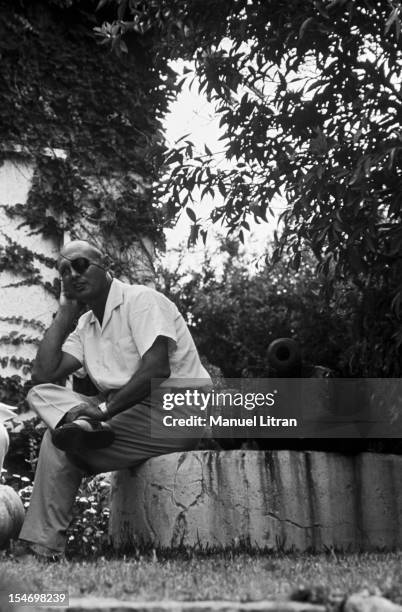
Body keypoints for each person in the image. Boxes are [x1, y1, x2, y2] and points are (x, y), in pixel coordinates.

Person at [15, 240, 211, 560]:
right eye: (64, 270)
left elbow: (156, 369)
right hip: (127, 413)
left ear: (104, 266)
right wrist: (65, 314)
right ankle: (43, 544)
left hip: (175, 410)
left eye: (79, 265)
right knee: (41, 397)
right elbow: (44, 374)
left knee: (60, 440)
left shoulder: (142, 301)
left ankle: (41, 546)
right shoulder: (86, 323)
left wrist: (102, 411)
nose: (72, 274)